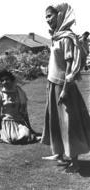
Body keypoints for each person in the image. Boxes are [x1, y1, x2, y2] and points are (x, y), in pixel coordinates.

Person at [41, 3, 90, 173]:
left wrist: (64, 89)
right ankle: (59, 153)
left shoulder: (67, 38)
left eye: (50, 15)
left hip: (63, 85)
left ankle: (75, 162)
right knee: (55, 121)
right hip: (53, 83)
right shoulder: (57, 36)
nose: (47, 20)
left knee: (69, 123)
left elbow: (69, 66)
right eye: (46, 16)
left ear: (60, 15)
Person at [0, 70, 40, 144]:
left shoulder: (19, 92)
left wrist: (30, 128)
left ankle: (27, 132)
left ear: (11, 80)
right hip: (7, 123)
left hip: (19, 122)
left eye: (7, 79)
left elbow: (24, 112)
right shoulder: (0, 95)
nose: (5, 82)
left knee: (25, 135)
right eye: (2, 80)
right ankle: (5, 134)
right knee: (14, 138)